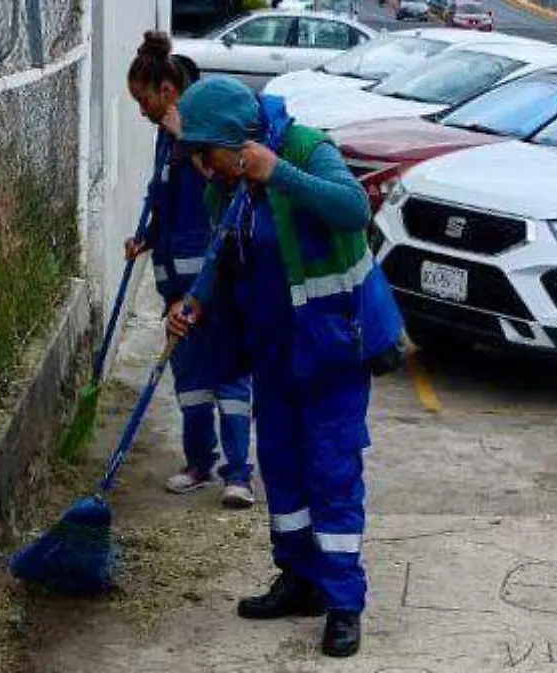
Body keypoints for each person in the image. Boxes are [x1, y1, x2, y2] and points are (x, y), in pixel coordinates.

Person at [167, 75, 404, 658]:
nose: (201, 165)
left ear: (239, 141)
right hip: (273, 350)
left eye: (205, 152)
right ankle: (298, 580)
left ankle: (343, 602)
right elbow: (224, 254)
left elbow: (351, 208)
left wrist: (279, 173)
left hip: (331, 346)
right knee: (282, 467)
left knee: (331, 471)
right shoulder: (223, 188)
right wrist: (195, 300)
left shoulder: (303, 149)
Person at [125, 33, 256, 509]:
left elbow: (222, 202)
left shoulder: (203, 135)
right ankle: (199, 462)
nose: (142, 111)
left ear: (166, 90)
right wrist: (149, 236)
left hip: (212, 284)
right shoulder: (166, 139)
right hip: (175, 287)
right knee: (191, 380)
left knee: (229, 377)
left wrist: (200, 291)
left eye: (144, 100)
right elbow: (164, 199)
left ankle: (238, 473)